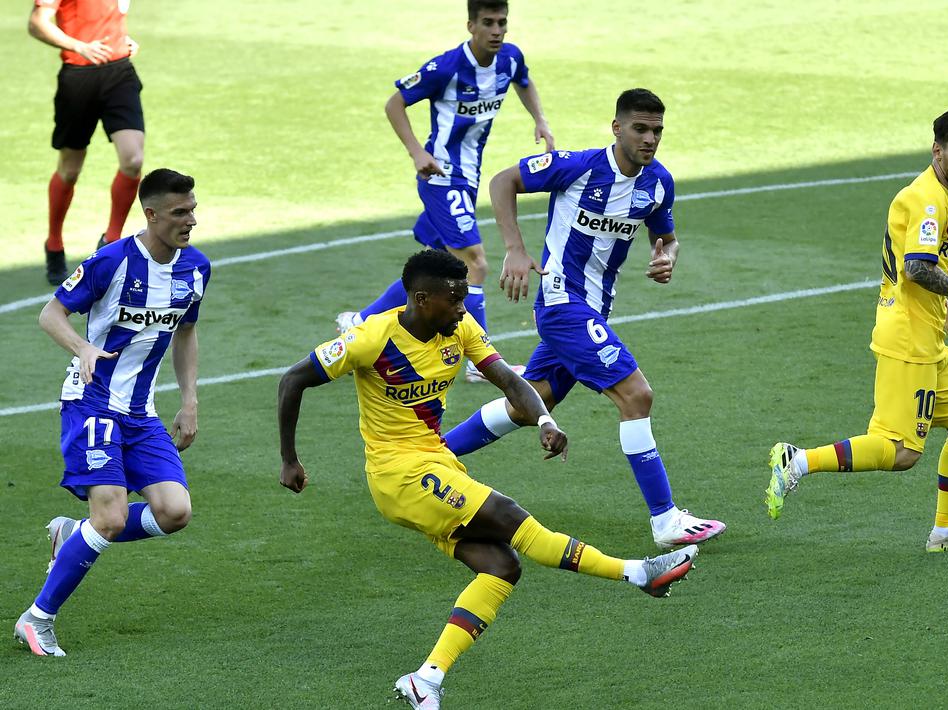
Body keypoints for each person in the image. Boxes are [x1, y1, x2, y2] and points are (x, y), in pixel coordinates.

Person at [279, 249, 698, 708]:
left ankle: (426, 679)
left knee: (501, 567)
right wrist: (290, 459)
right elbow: (293, 379)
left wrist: (544, 421)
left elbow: (511, 382)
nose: (463, 307)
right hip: (398, 475)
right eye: (454, 298)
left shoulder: (459, 329)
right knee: (508, 515)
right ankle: (637, 573)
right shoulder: (371, 338)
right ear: (421, 298)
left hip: (435, 464)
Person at [441, 89, 726, 549]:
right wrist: (515, 247)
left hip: (594, 307)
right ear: (617, 128)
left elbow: (667, 238)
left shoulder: (658, 183)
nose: (650, 139)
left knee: (530, 403)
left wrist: (666, 257)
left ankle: (428, 458)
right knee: (636, 395)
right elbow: (501, 181)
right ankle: (665, 519)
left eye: (657, 131)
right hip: (561, 303)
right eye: (640, 128)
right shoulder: (578, 166)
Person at [764, 109, 948, 552]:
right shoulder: (929, 200)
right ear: (938, 151)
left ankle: (946, 531)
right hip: (908, 341)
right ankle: (797, 461)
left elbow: (912, 269)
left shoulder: (936, 195)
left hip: (928, 336)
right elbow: (917, 269)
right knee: (900, 452)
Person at [14, 169, 209, 656]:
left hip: (141, 413)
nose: (191, 220)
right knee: (110, 518)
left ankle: (72, 535)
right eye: (180, 212)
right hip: (91, 403)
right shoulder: (113, 261)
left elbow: (185, 331)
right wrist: (81, 346)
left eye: (193, 209)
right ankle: (37, 619)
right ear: (151, 214)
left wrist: (189, 400)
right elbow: (50, 313)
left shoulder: (197, 268)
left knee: (175, 512)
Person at [335, 0, 552, 384]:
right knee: (476, 264)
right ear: (471, 25)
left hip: (468, 177)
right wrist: (417, 152)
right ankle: (478, 360)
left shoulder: (510, 58)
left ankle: (361, 321)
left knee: (434, 264)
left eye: (502, 22)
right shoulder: (446, 68)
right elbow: (395, 103)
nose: (497, 30)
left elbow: (524, 81)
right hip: (441, 175)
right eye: (488, 23)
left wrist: (540, 120)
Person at [29, 0, 146, 284]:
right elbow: (37, 23)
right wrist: (78, 45)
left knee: (133, 160)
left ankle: (111, 241)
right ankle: (54, 244)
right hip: (79, 77)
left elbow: (111, 17)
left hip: (119, 73)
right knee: (70, 170)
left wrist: (123, 41)